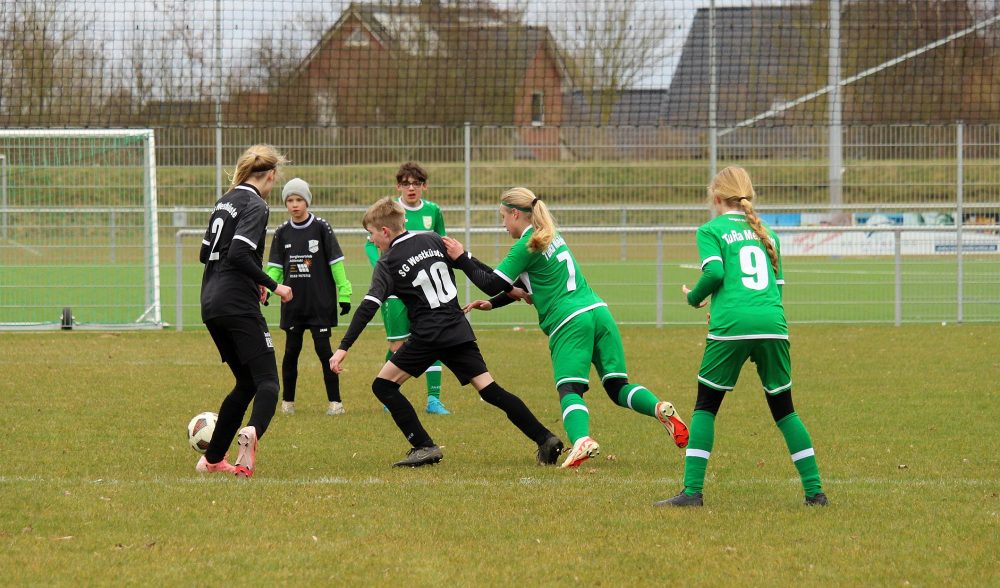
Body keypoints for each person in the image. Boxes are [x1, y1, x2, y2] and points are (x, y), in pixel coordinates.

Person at [441, 187, 689, 469]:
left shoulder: (525, 245)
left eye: (503, 216)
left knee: (570, 388)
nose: (502, 224)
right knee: (617, 386)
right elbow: (523, 283)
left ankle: (582, 440)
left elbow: (492, 282)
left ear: (515, 214)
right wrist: (493, 302)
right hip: (599, 312)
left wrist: (462, 258)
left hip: (570, 320)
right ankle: (659, 408)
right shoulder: (549, 236)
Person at [331, 197, 564, 468]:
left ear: (384, 231)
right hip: (457, 329)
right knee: (491, 390)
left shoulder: (388, 262)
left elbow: (368, 306)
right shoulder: (432, 239)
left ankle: (424, 446)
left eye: (371, 234)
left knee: (383, 386)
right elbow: (469, 262)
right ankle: (545, 439)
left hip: (428, 335)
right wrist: (510, 288)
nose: (371, 240)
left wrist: (343, 347)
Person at [653, 166, 827, 507]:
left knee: (706, 406)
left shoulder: (711, 230)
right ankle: (815, 493)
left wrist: (694, 298)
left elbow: (715, 272)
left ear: (717, 198)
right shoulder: (768, 234)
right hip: (772, 324)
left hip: (732, 326)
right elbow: (774, 290)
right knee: (785, 410)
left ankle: (692, 492)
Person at [196, 144, 292, 478]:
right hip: (236, 303)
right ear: (271, 175)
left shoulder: (224, 201)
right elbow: (238, 253)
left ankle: (212, 459)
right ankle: (252, 433)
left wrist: (255, 281)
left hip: (211, 302)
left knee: (246, 382)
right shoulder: (256, 204)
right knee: (268, 382)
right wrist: (274, 284)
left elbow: (206, 254)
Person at [364, 162, 450, 415]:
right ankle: (388, 395)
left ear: (424, 186)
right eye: (406, 183)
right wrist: (384, 269)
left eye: (416, 183)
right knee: (398, 344)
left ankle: (433, 400)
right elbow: (370, 244)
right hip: (396, 289)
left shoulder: (433, 211)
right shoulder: (390, 211)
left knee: (434, 338)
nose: (411, 188)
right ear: (398, 186)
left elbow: (442, 242)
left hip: (425, 289)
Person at [265, 178, 353, 416]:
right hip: (293, 304)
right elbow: (274, 269)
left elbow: (336, 264)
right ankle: (287, 403)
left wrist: (344, 292)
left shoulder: (322, 228)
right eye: (290, 200)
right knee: (291, 352)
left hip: (319, 304)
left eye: (299, 200)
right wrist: (268, 289)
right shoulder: (282, 232)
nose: (294, 205)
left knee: (325, 352)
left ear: (307, 201)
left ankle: (335, 403)